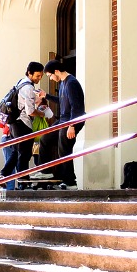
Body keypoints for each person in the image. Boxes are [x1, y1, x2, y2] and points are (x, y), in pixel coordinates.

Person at [0, 63, 48, 181]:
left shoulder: (20, 83)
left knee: (16, 151)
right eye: (37, 76)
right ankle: (23, 181)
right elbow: (30, 111)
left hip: (13, 123)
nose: (39, 78)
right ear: (29, 73)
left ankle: (4, 174)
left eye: (41, 76)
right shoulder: (28, 88)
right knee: (25, 153)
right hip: (23, 123)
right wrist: (42, 114)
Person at [45, 59, 86, 188]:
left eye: (50, 75)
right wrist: (45, 96)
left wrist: (71, 125)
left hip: (72, 120)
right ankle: (46, 172)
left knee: (64, 149)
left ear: (56, 71)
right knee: (45, 138)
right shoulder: (63, 83)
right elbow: (62, 101)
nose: (51, 79)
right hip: (64, 120)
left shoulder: (71, 83)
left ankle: (70, 181)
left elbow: (76, 107)